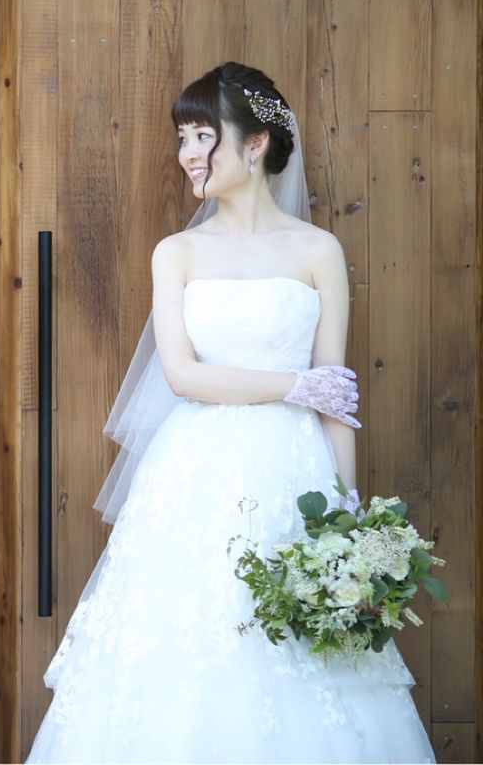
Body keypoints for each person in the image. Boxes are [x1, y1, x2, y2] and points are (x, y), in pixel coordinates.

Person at [27, 62, 434, 763]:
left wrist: (348, 516)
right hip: (196, 473)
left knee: (305, 638)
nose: (188, 153)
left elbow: (335, 394)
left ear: (255, 143)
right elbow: (183, 375)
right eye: (182, 138)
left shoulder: (319, 251)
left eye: (202, 135)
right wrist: (291, 385)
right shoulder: (177, 253)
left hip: (295, 472)